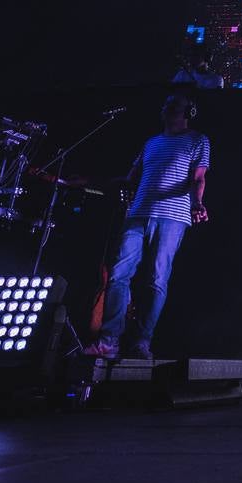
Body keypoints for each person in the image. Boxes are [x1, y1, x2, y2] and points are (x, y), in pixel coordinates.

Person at [83, 93, 210, 360]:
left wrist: (197, 203)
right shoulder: (151, 142)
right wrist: (84, 181)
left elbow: (198, 178)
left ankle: (141, 342)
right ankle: (109, 341)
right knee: (119, 275)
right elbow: (130, 179)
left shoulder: (198, 140)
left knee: (157, 279)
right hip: (138, 213)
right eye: (166, 105)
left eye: (174, 106)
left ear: (189, 113)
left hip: (173, 217)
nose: (167, 109)